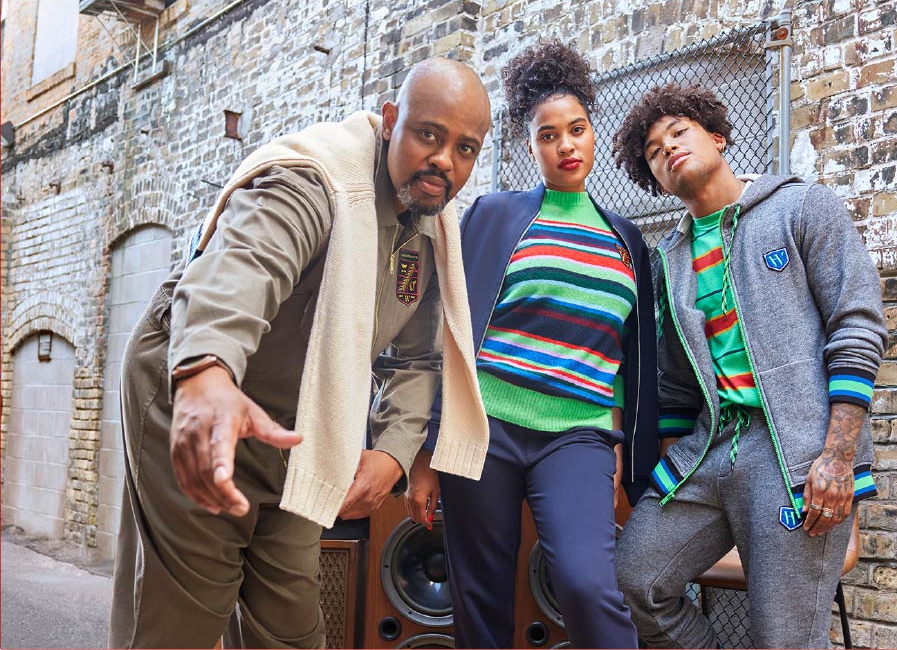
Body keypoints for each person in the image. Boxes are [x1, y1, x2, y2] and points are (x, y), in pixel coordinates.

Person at [108, 58, 493, 649]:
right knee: (188, 608)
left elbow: (416, 360)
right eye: (429, 134)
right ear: (391, 121)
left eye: (465, 148)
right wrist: (207, 371)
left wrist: (393, 451)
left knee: (291, 622)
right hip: (201, 392)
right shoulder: (317, 180)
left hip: (301, 425)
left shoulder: (429, 229)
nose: (445, 159)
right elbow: (244, 264)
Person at [610, 83, 887, 649]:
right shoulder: (669, 261)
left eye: (678, 132)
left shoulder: (803, 207)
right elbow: (674, 385)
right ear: (654, 178)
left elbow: (857, 328)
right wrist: (670, 468)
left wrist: (837, 457)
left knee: (783, 638)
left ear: (716, 135)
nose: (667, 149)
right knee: (633, 581)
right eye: (654, 152)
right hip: (707, 452)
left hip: (795, 453)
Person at [405, 40, 658, 649]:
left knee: (586, 584)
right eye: (549, 135)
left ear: (593, 133)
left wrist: (618, 437)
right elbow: (449, 331)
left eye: (576, 129)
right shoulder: (493, 215)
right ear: (531, 147)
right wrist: (425, 449)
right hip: (483, 429)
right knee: (480, 599)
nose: (566, 145)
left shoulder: (629, 242)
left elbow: (629, 358)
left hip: (578, 437)